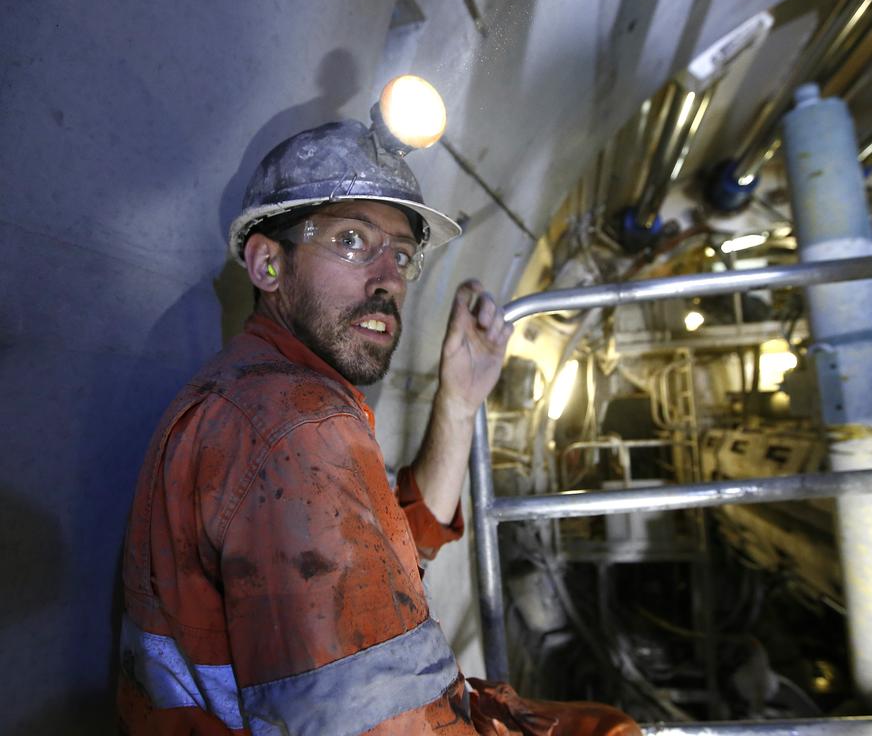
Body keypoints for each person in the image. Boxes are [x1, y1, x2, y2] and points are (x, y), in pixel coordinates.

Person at [117, 93, 640, 735]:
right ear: (268, 263)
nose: (387, 277)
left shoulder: (263, 397)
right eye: (351, 240)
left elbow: (382, 571)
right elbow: (380, 718)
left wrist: (458, 398)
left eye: (401, 253)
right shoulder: (293, 427)